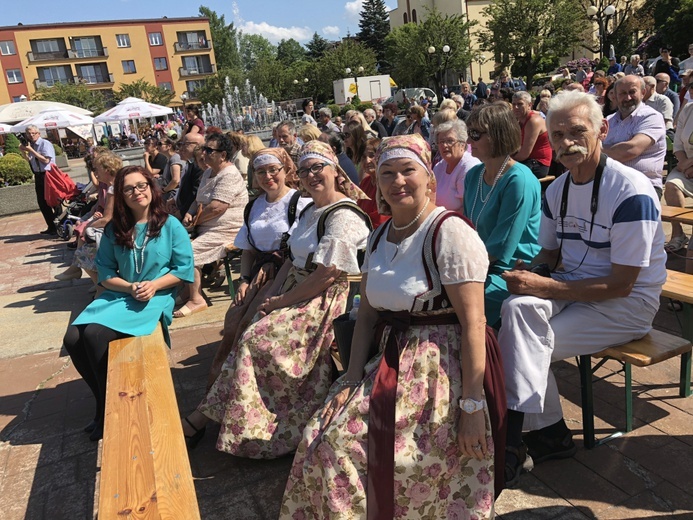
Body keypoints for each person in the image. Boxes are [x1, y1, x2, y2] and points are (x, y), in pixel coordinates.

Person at [280, 134, 502, 519]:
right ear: (377, 182)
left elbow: (473, 324)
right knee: (320, 437)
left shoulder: (449, 232)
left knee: (345, 448)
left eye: (407, 171)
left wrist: (471, 405)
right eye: (387, 174)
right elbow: (367, 314)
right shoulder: (380, 234)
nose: (398, 181)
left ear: (429, 178)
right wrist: (348, 380)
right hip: (390, 359)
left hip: (440, 370)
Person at [498, 91, 666, 486]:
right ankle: (541, 435)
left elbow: (623, 285)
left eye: (577, 131)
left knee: (521, 342)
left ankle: (523, 437)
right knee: (516, 310)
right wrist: (534, 271)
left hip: (627, 306)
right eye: (557, 135)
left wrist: (546, 285)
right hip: (574, 288)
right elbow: (550, 255)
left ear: (602, 130)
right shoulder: (557, 189)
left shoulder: (631, 191)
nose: (566, 142)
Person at [182, 140, 371, 457]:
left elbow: (325, 275)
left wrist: (281, 302)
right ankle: (211, 417)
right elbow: (291, 261)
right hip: (300, 287)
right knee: (246, 328)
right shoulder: (312, 209)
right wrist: (271, 294)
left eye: (317, 167)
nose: (310, 175)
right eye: (304, 169)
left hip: (328, 299)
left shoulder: (343, 216)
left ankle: (258, 427)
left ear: (335, 170)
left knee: (258, 340)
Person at [63, 165, 194, 441]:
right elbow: (106, 274)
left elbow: (184, 268)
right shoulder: (115, 229)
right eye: (129, 189)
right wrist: (130, 286)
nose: (137, 192)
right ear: (121, 195)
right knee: (74, 337)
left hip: (155, 297)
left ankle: (112, 412)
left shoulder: (170, 224)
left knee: (96, 336)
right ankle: (102, 404)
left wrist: (154, 285)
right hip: (121, 294)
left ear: (151, 187)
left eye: (141, 185)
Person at [204, 148, 309, 388]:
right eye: (261, 171)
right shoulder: (254, 207)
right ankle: (223, 387)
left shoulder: (299, 203)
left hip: (287, 273)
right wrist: (243, 279)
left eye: (273, 170)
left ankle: (248, 384)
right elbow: (248, 249)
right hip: (259, 275)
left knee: (251, 326)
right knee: (233, 319)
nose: (267, 176)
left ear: (285, 170)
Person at [463, 103, 541, 328]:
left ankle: (485, 362)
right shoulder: (474, 176)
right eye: (469, 134)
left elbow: (501, 248)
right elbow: (467, 230)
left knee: (462, 302)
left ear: (498, 135)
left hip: (514, 269)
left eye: (475, 134)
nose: (469, 141)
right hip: (482, 265)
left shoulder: (519, 180)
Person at [176, 133, 248, 317]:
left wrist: (195, 221)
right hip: (206, 227)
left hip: (228, 230)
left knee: (187, 252)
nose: (204, 153)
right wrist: (189, 213)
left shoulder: (229, 174)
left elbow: (217, 207)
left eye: (209, 150)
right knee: (175, 245)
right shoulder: (209, 172)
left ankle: (196, 299)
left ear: (222, 155)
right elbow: (198, 199)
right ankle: (189, 290)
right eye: (205, 149)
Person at [603, 76, 667, 198]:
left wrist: (595, 150)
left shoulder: (651, 117)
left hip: (643, 187)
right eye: (622, 93)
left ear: (643, 93)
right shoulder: (609, 121)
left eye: (632, 92)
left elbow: (630, 150)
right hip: (611, 185)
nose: (627, 98)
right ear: (614, 96)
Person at [663, 101, 693, 252]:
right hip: (686, 164)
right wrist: (684, 164)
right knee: (672, 184)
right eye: (690, 86)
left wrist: (689, 165)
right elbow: (678, 145)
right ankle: (678, 234)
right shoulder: (688, 109)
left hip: (688, 164)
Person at [433, 119, 481, 211]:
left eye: (450, 141)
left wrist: (440, 220)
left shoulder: (469, 167)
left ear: (462, 144)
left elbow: (468, 209)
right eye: (441, 142)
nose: (445, 145)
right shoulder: (439, 166)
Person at [19, 125, 57, 234]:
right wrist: (23, 151)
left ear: (38, 133)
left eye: (33, 133)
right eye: (29, 134)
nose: (31, 136)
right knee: (42, 202)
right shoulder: (31, 145)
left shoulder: (45, 144)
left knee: (53, 201)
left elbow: (46, 160)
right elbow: (30, 161)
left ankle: (60, 224)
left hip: (48, 174)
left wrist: (31, 150)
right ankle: (51, 226)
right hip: (38, 175)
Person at [511, 91, 553, 179]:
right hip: (527, 161)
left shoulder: (533, 121)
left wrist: (505, 161)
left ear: (529, 105)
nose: (516, 107)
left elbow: (524, 154)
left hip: (538, 164)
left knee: (504, 173)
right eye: (514, 104)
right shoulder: (519, 121)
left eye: (520, 104)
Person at [168, 133, 206, 218]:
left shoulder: (200, 166)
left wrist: (182, 212)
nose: (181, 148)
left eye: (185, 144)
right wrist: (175, 200)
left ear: (197, 145)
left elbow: (195, 193)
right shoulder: (190, 163)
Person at [356, 137, 389, 228]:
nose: (367, 161)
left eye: (372, 155)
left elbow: (382, 219)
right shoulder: (365, 182)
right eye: (363, 157)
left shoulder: (386, 184)